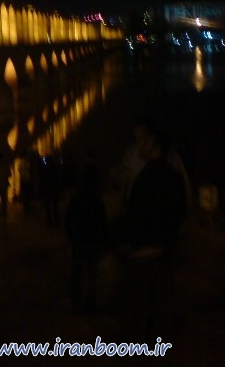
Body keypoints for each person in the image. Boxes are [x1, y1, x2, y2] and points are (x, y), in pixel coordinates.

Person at [115, 128, 187, 341]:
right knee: (162, 302)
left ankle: (137, 344)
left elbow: (135, 213)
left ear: (157, 148)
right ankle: (160, 342)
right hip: (165, 248)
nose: (141, 147)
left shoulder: (146, 178)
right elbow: (180, 211)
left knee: (138, 304)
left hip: (143, 250)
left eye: (146, 143)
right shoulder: (175, 178)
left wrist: (128, 241)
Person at [64, 151, 108, 314]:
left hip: (80, 240)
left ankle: (76, 301)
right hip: (93, 240)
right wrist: (104, 239)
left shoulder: (76, 200)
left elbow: (68, 220)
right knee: (92, 273)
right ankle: (91, 301)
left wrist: (72, 235)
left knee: (77, 271)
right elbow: (103, 222)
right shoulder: (98, 201)